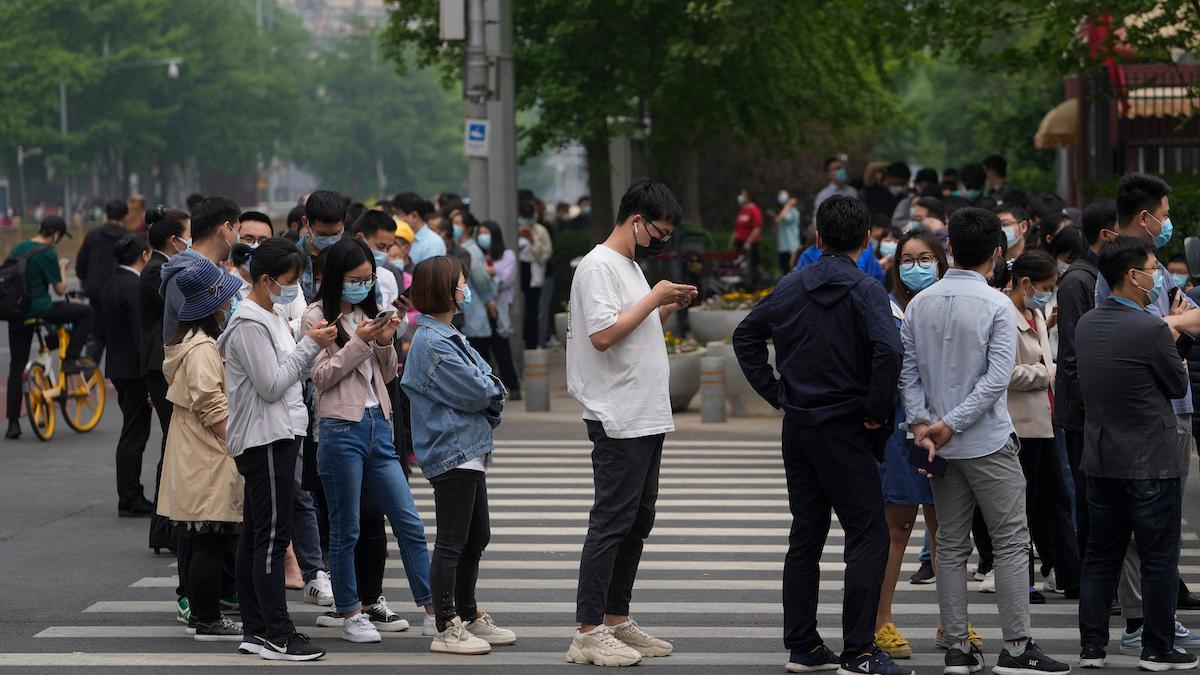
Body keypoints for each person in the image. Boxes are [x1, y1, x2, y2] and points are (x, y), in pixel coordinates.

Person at [734, 195, 905, 675]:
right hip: (848, 426)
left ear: (816, 239)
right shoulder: (867, 289)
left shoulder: (790, 287)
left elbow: (746, 336)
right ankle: (859, 650)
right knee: (867, 533)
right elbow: (888, 353)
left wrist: (777, 393)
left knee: (806, 533)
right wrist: (876, 410)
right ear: (866, 239)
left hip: (800, 427)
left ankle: (804, 646)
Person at [900, 207, 1069, 675]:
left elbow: (908, 374)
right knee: (1012, 541)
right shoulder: (996, 304)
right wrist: (951, 424)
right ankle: (1016, 647)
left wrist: (922, 426)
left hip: (935, 444)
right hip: (987, 440)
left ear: (949, 247)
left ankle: (957, 647)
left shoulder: (920, 303)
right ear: (997, 252)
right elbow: (996, 379)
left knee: (949, 545)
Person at [564, 179, 696, 667]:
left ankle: (617, 619)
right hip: (616, 412)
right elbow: (601, 336)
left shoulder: (631, 267)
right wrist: (656, 294)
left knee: (637, 520)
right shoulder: (599, 265)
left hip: (643, 411)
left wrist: (661, 306)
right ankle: (588, 629)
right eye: (658, 231)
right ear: (636, 219)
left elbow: (630, 332)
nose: (660, 240)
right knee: (612, 521)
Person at [301, 238, 435, 643]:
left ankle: (434, 608)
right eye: (355, 279)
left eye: (367, 278)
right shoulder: (316, 317)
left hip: (380, 424)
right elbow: (320, 377)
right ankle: (351, 612)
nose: (362, 285)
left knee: (409, 521)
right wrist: (359, 341)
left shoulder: (368, 312)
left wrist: (384, 340)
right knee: (346, 528)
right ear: (335, 278)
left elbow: (389, 375)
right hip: (340, 429)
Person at [1075, 236, 1197, 671]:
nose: (1158, 275)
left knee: (1101, 554)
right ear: (1133, 275)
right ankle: (1157, 646)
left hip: (1102, 456)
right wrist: (1178, 330)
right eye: (1152, 268)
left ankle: (1092, 647)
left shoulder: (1086, 324)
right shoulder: (1150, 327)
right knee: (1158, 556)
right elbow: (1176, 386)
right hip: (1151, 458)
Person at [218, 237, 337, 661]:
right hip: (265, 437)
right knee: (271, 536)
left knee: (258, 534)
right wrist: (310, 345)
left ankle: (256, 629)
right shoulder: (250, 323)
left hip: (278, 434)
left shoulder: (268, 315)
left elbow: (285, 375)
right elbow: (270, 385)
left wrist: (307, 344)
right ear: (266, 280)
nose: (293, 287)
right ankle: (277, 632)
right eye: (288, 280)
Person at [401, 255, 516, 655]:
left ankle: (466, 613)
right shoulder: (433, 342)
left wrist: (491, 388)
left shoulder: (448, 334)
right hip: (452, 448)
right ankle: (446, 623)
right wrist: (492, 390)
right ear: (446, 290)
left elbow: (486, 379)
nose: (466, 289)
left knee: (475, 536)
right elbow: (479, 389)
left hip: (469, 446)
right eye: (462, 283)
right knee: (452, 541)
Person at [873, 229, 952, 660]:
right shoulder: (886, 310)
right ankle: (881, 621)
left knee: (947, 531)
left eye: (925, 258)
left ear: (941, 262)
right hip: (902, 433)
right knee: (897, 530)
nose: (917, 266)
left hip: (949, 430)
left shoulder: (954, 306)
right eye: (908, 259)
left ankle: (951, 622)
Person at [156, 262, 245, 641]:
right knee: (208, 538)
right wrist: (235, 444)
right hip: (207, 453)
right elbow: (212, 405)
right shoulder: (203, 349)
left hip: (192, 451)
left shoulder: (187, 343)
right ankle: (208, 617)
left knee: (197, 538)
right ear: (214, 306)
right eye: (225, 300)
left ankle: (201, 613)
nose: (229, 305)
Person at [1002, 251, 1081, 601]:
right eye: (1046, 287)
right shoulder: (1003, 314)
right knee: (1023, 504)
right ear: (1025, 283)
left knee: (1059, 498)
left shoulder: (1036, 312)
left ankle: (1070, 574)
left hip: (1046, 420)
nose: (1047, 293)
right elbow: (1003, 372)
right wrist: (1046, 374)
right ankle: (1026, 581)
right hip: (1020, 425)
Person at [5, 216, 94, 440]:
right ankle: (72, 357)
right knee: (85, 313)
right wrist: (63, 268)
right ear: (54, 234)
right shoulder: (48, 253)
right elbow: (61, 289)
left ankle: (13, 423)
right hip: (40, 309)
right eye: (60, 236)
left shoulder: (19, 247)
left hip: (16, 312)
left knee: (16, 368)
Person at [1055, 200, 1109, 560]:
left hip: (1101, 411)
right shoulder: (1079, 280)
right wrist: (1092, 408)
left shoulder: (1103, 275)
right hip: (1085, 413)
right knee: (1091, 501)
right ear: (1106, 235)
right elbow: (1075, 355)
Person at [141, 207, 191, 602]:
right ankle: (166, 528)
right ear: (175, 240)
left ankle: (165, 529)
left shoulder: (162, 267)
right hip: (161, 366)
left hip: (160, 365)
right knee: (173, 446)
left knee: (172, 445)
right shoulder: (159, 272)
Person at [103, 234, 155, 517]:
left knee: (131, 433)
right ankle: (130, 496)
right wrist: (149, 377)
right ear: (144, 255)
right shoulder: (133, 286)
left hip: (118, 366)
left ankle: (130, 493)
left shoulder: (111, 281)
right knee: (135, 436)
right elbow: (140, 336)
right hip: (135, 370)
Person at [161, 196, 240, 343]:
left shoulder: (218, 269)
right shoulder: (186, 275)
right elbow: (207, 330)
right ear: (226, 228)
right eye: (237, 230)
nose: (238, 238)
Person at [76, 199, 130, 356]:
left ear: (106, 215)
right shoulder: (128, 238)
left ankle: (90, 377)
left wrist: (84, 284)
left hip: (96, 292)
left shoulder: (93, 234)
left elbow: (81, 263)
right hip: (120, 293)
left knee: (96, 336)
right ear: (125, 216)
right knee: (121, 337)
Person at [478, 220, 522, 398]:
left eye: (486, 232)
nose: (482, 236)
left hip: (499, 308)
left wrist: (488, 273)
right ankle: (489, 388)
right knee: (482, 350)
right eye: (480, 232)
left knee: (501, 348)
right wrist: (490, 274)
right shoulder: (477, 254)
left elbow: (505, 280)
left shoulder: (507, 255)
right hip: (481, 308)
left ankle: (513, 385)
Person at [296, 190, 349, 303]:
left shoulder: (354, 256)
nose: (329, 240)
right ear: (305, 222)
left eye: (335, 234)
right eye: (322, 234)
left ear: (344, 222)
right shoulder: (294, 259)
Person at [517, 200, 552, 350]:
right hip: (517, 272)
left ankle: (533, 343)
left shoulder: (540, 231)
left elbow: (545, 255)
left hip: (534, 274)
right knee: (519, 309)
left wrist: (532, 240)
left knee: (534, 310)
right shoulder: (512, 229)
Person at [394, 192, 446, 265]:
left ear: (414, 216)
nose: (395, 218)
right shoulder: (395, 237)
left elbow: (429, 274)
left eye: (399, 214)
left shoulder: (433, 243)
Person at [813, 157, 858, 229]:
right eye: (836, 169)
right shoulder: (823, 195)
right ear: (828, 173)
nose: (841, 171)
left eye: (841, 168)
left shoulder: (852, 191)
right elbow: (818, 219)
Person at [731, 188, 763, 284]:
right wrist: (732, 241)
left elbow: (757, 228)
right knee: (740, 265)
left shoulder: (754, 210)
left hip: (751, 244)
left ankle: (754, 284)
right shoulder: (742, 210)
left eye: (743, 194)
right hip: (739, 243)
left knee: (753, 265)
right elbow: (737, 228)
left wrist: (748, 242)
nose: (741, 197)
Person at [775, 190, 802, 273]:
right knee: (784, 271)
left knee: (793, 271)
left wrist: (788, 204)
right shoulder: (783, 209)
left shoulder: (793, 211)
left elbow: (782, 217)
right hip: (783, 247)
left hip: (792, 246)